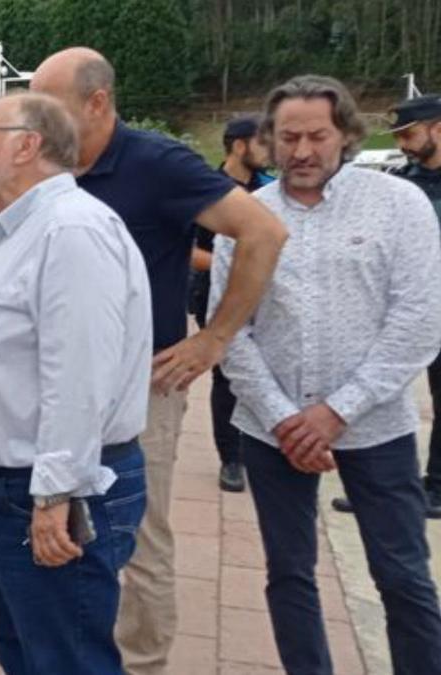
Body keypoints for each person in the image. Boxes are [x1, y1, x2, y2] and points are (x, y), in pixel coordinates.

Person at [29, 47, 288, 675]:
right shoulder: (49, 168)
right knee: (54, 521)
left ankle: (141, 663)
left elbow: (263, 233)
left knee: (139, 536)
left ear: (97, 102)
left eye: (50, 105)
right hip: (59, 383)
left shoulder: (157, 162)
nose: (38, 121)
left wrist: (214, 338)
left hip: (141, 385)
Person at [212, 74, 441, 675]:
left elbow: (418, 321)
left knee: (404, 578)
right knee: (288, 575)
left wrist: (336, 410)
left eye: (317, 135)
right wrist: (288, 418)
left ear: (347, 136)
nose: (303, 150)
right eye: (288, 137)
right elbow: (229, 329)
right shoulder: (247, 217)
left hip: (376, 428)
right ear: (268, 140)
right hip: (271, 429)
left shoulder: (399, 205)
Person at [0, 91, 152, 674]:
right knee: (28, 654)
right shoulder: (24, 230)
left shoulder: (71, 232)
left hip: (52, 488)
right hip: (8, 485)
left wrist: (54, 494)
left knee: (66, 661)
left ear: (26, 144)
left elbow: (80, 373)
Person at [334, 93, 441, 519]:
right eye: (399, 136)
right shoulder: (402, 184)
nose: (403, 145)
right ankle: (371, 486)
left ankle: (436, 487)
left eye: (410, 134)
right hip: (398, 310)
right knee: (378, 391)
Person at [188, 115, 275, 493]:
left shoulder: (271, 189)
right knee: (227, 375)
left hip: (268, 295)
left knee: (270, 368)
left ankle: (266, 446)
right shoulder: (206, 189)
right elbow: (189, 250)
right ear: (239, 145)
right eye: (262, 142)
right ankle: (232, 458)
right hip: (217, 292)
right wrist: (240, 259)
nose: (270, 150)